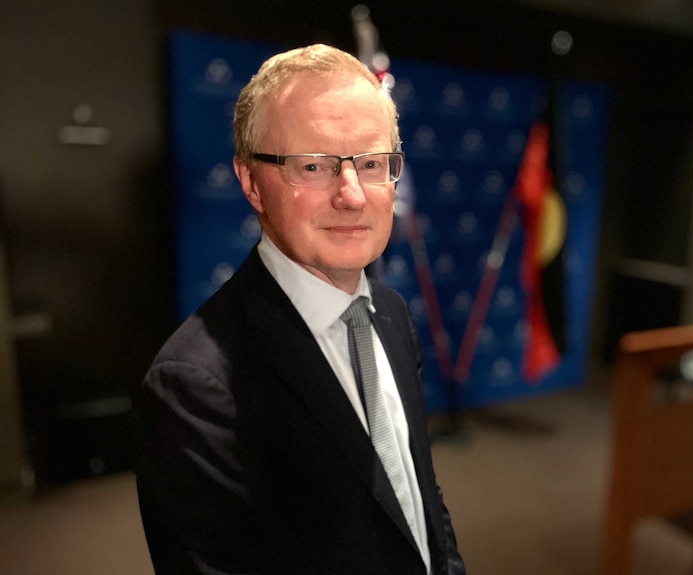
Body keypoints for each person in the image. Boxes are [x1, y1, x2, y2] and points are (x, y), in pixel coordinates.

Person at [135, 43, 466, 575]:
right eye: (314, 166)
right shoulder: (194, 386)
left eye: (372, 163)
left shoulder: (393, 313)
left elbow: (417, 494)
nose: (353, 195)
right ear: (251, 183)